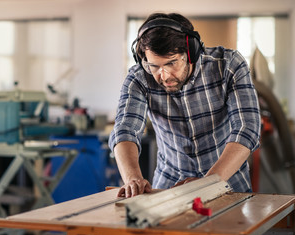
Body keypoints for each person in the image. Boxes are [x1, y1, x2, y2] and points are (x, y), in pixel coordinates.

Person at [108, 12, 261, 198]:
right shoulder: (139, 78)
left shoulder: (228, 65)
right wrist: (132, 177)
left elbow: (247, 129)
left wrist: (209, 182)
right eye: (154, 66)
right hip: (169, 186)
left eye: (171, 63)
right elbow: (125, 129)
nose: (163, 75)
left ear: (191, 52)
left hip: (228, 183)